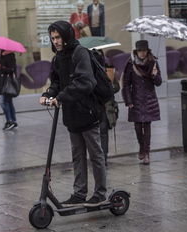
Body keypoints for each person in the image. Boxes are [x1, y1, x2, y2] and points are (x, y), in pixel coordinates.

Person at [39, 21, 107, 207]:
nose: (56, 42)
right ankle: (79, 193)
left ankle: (100, 193)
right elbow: (57, 82)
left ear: (67, 35)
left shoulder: (80, 53)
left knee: (95, 155)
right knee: (77, 156)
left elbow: (86, 82)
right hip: (72, 115)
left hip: (88, 112)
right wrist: (48, 94)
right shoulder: (58, 58)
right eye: (53, 38)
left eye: (58, 37)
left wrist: (61, 96)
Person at [121, 40, 162, 165]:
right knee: (138, 127)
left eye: (144, 50)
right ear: (136, 51)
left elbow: (159, 83)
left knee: (147, 126)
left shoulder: (153, 62)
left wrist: (155, 75)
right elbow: (126, 83)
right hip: (136, 99)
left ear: (147, 51)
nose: (142, 53)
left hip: (149, 98)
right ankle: (141, 147)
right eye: (140, 50)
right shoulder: (130, 63)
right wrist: (128, 100)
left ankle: (146, 153)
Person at [0, 49, 18, 131]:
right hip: (2, 84)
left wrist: (1, 67)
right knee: (9, 102)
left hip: (7, 83)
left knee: (2, 102)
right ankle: (14, 121)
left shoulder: (10, 55)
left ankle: (9, 121)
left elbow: (12, 69)